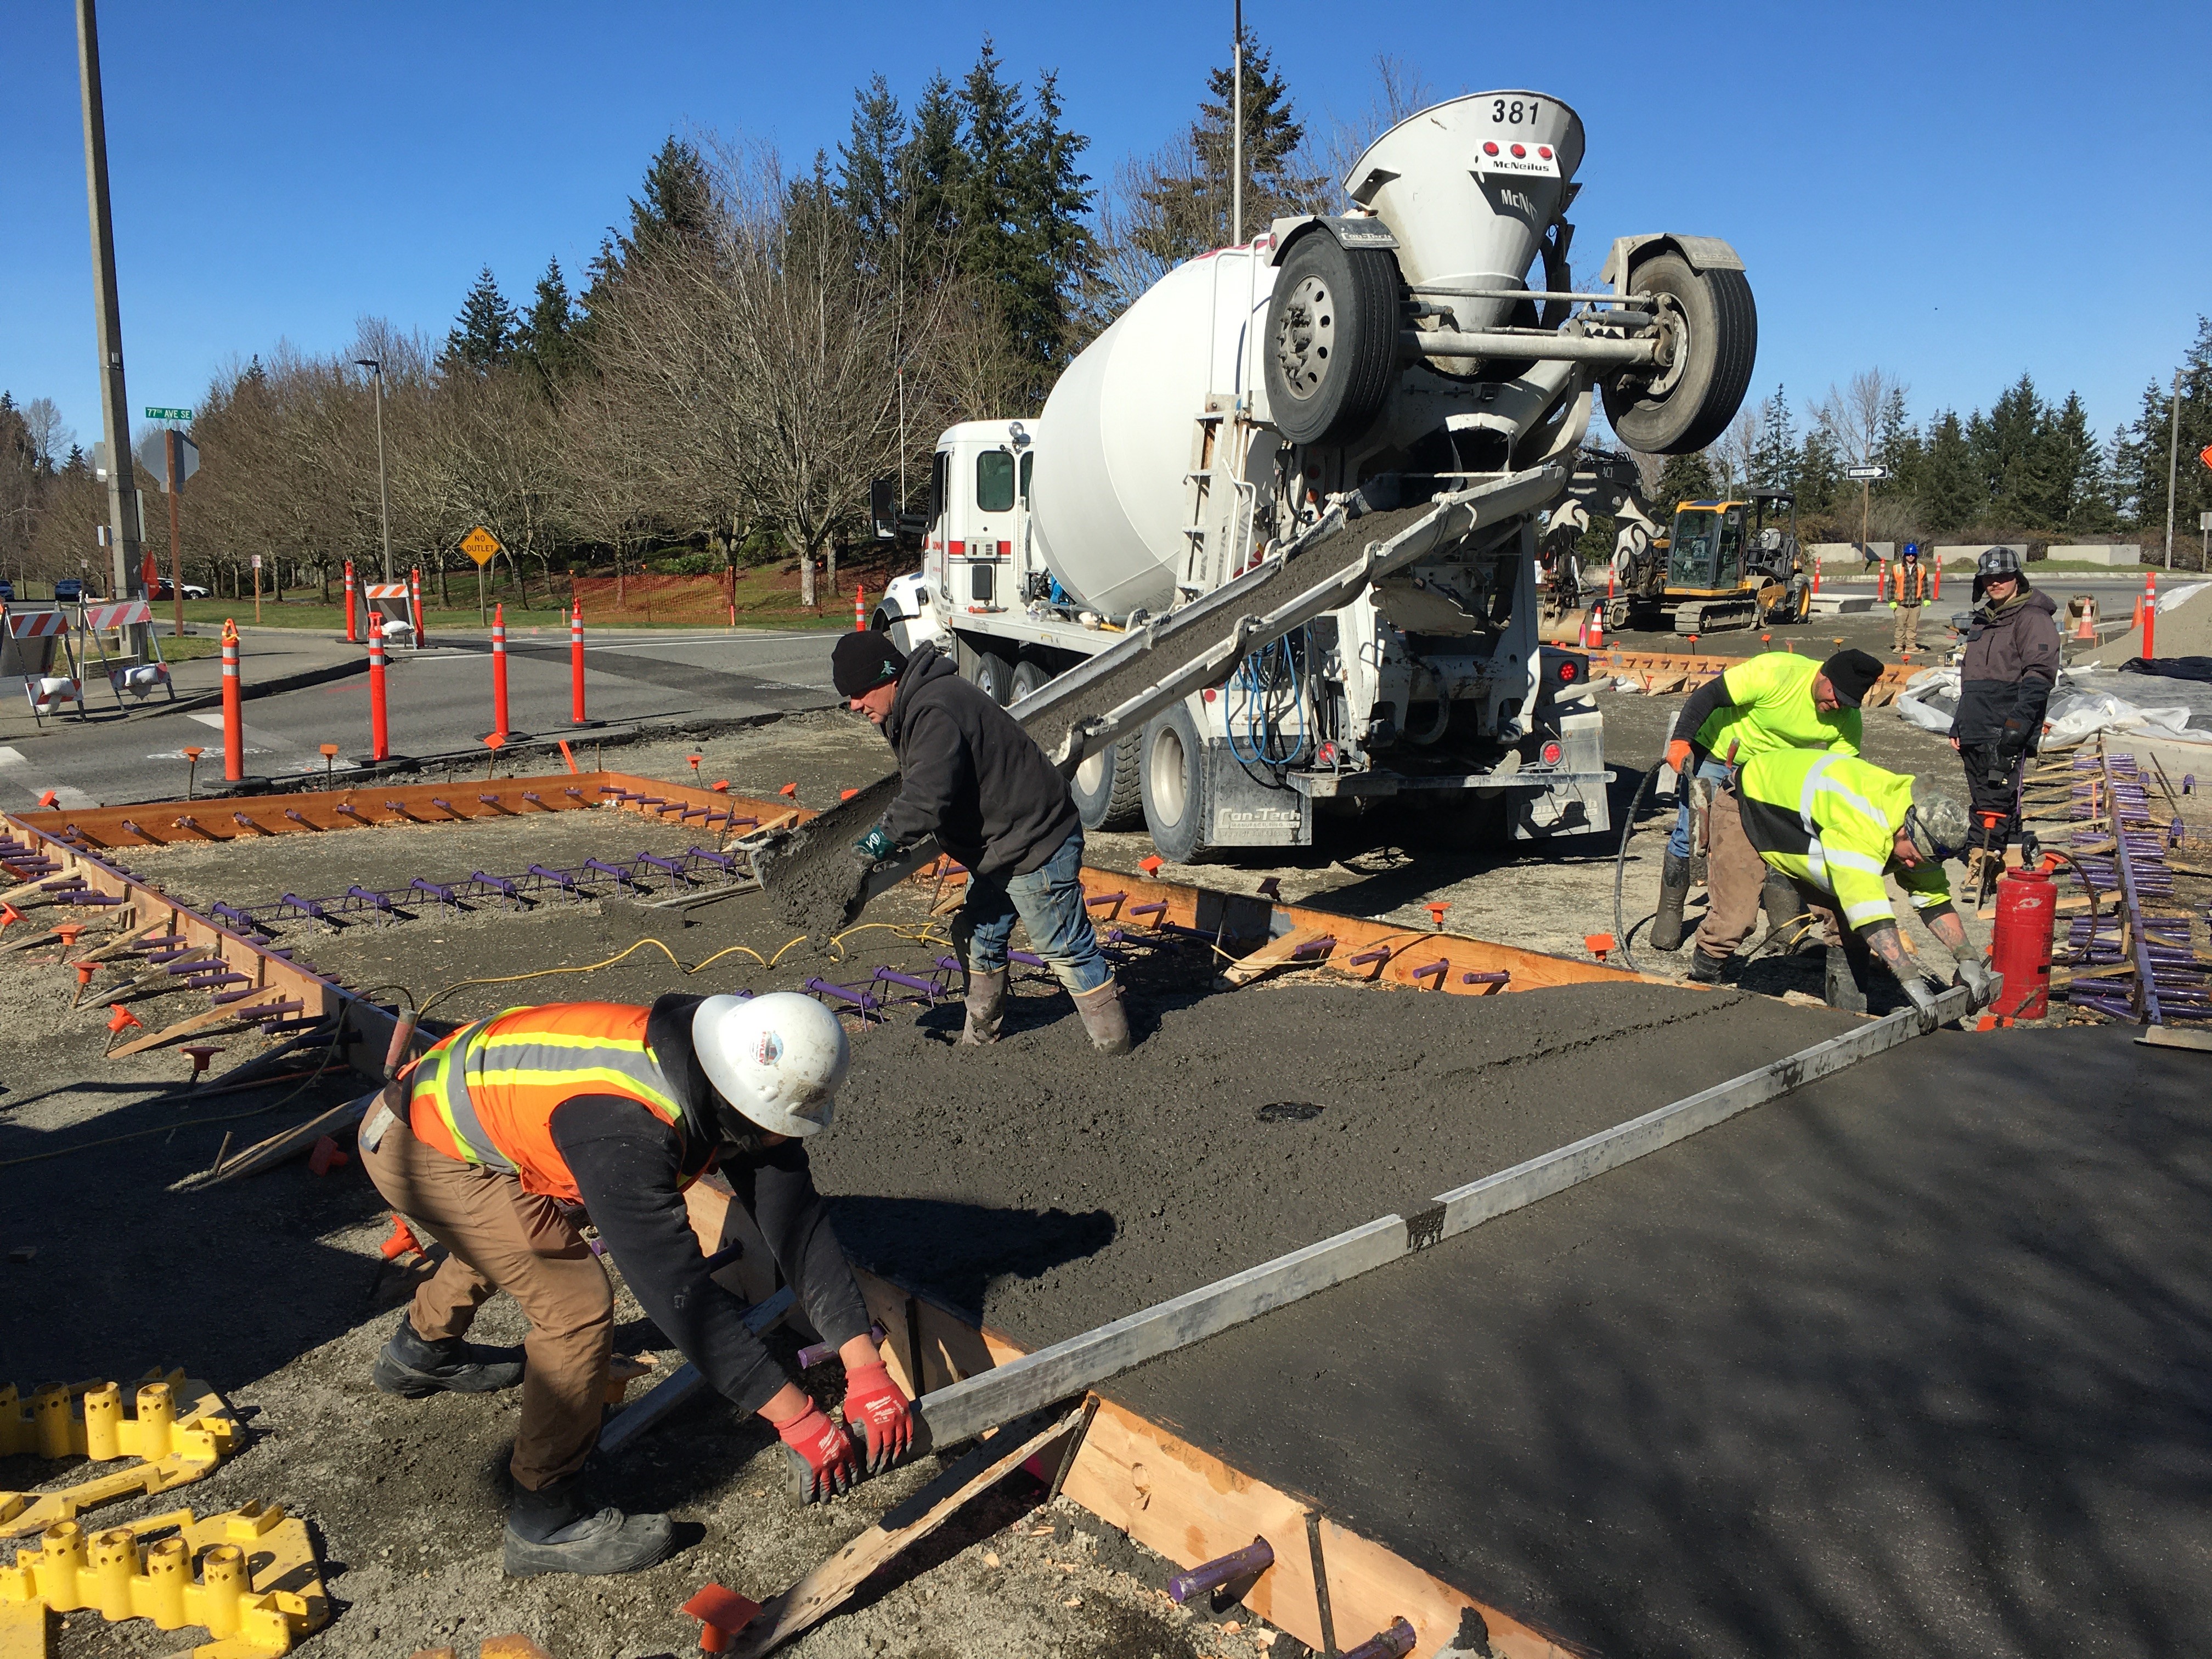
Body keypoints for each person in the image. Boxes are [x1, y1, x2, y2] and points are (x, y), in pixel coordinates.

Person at [360, 992, 912, 1577]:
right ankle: (544, 1521)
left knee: (513, 1235)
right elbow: (682, 1296)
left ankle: (420, 1352)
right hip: (416, 1143)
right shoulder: (626, 1131)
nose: (784, 1139)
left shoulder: (724, 1063)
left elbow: (797, 1229)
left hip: (474, 1108)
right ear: (736, 1102)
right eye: (776, 1126)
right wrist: (795, 1415)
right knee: (574, 1303)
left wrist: (866, 1367)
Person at [833, 630, 1130, 1055]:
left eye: (860, 692)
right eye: (849, 697)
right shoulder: (909, 705)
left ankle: (1116, 1047)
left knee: (1064, 947)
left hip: (1034, 841)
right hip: (998, 846)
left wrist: (873, 846)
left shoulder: (933, 709)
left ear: (888, 676)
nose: (855, 705)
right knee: (976, 934)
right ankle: (980, 1043)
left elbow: (926, 797)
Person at [1686, 747, 1996, 1014]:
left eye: (1922, 861)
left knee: (1847, 923)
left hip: (1807, 822)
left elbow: (1933, 899)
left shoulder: (1923, 828)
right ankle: (1696, 991)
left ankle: (1846, 1017)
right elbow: (1870, 914)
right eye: (1913, 856)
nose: (1913, 864)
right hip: (1749, 802)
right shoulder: (1859, 826)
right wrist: (1910, 980)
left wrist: (1967, 958)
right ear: (1905, 828)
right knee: (1734, 921)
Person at [1650, 648, 1884, 952]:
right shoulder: (1777, 671)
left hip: (1771, 773)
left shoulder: (1845, 716)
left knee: (1777, 841)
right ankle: (1669, 913)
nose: (1837, 704)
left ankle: (1785, 930)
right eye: (1834, 694)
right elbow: (1708, 695)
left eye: (1847, 702)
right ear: (1823, 674)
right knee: (1693, 834)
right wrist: (1681, 741)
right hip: (1718, 753)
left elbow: (1840, 771)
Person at [1949, 547, 2060, 878]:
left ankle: (1982, 861)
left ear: (2017, 578)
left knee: (1993, 796)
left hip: (2007, 720)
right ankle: (2010, 860)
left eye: (2003, 576)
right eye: (1990, 577)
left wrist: (2018, 725)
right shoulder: (1984, 619)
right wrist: (1959, 722)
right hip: (1976, 720)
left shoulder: (2032, 617)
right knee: (1990, 793)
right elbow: (1971, 677)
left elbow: (2040, 676)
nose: (1996, 583)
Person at [1891, 543, 1928, 653]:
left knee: (1913, 626)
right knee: (1900, 625)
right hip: (1901, 602)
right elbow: (1891, 585)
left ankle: (1911, 646)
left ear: (1916, 556)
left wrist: (1926, 598)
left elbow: (1925, 584)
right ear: (1905, 555)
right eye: (1909, 554)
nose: (1911, 556)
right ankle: (1899, 646)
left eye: (1913, 554)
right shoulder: (1897, 568)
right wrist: (1892, 600)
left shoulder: (1921, 568)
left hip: (1916, 602)